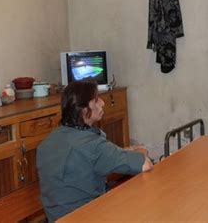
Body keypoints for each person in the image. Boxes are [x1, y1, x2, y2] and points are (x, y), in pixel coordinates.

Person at [37, 81, 153, 222]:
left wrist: (122, 151)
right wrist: (142, 151)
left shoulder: (51, 140)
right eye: (96, 100)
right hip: (87, 216)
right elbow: (145, 165)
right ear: (84, 110)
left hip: (56, 217)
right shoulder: (92, 145)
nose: (102, 103)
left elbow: (89, 158)